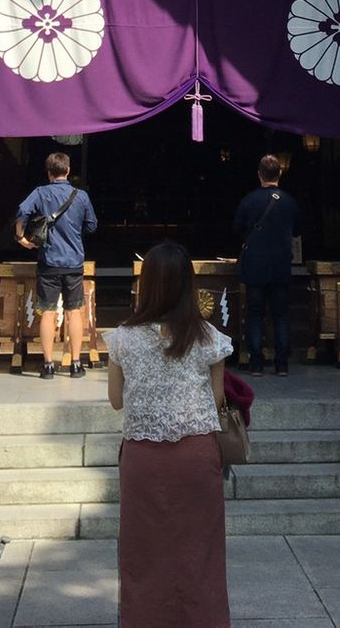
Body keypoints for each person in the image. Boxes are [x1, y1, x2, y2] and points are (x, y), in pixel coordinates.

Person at [106, 241, 231, 628]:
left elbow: (115, 400)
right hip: (196, 452)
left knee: (143, 550)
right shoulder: (208, 336)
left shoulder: (122, 339)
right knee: (201, 549)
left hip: (143, 455)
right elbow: (217, 396)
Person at [16, 150, 98, 379]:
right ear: (68, 171)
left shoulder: (41, 193)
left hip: (49, 262)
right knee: (74, 312)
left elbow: (22, 210)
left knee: (48, 313)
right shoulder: (80, 196)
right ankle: (74, 364)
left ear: (49, 172)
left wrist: (21, 236)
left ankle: (48, 365)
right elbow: (92, 226)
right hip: (73, 263)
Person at [233, 152, 300, 376]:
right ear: (280, 173)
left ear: (259, 174)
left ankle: (256, 363)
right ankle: (282, 364)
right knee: (280, 315)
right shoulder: (290, 202)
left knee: (255, 314)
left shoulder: (248, 200)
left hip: (255, 265)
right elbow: (298, 230)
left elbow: (238, 229)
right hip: (280, 265)